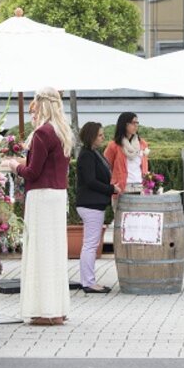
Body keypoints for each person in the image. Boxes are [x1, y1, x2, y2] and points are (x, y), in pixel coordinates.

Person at [6, 88, 73, 326]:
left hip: (41, 196)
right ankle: (57, 308)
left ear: (41, 105)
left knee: (40, 251)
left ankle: (44, 309)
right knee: (54, 251)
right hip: (57, 195)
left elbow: (33, 172)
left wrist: (15, 166)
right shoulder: (61, 131)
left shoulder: (42, 133)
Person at [75, 121, 119, 294]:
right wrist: (111, 189)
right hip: (90, 204)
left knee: (91, 244)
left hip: (93, 204)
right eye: (100, 135)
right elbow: (90, 181)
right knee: (91, 245)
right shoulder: (87, 155)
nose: (103, 137)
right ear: (91, 136)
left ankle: (88, 280)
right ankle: (88, 282)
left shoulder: (93, 153)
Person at [104, 112, 149, 194]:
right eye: (133, 123)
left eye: (137, 122)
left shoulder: (142, 144)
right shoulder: (114, 145)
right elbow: (106, 166)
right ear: (124, 124)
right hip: (122, 188)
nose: (136, 125)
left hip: (140, 186)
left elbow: (144, 166)